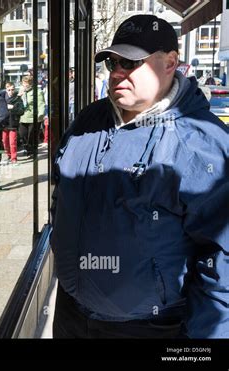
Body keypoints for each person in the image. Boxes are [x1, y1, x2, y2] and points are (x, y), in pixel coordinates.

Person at [51, 14, 228, 339]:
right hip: (71, 315)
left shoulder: (202, 144)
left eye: (132, 63)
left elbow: (223, 264)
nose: (118, 72)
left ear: (171, 63)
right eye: (113, 62)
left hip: (149, 329)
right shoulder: (90, 119)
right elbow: (62, 191)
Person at [18, 75, 45, 158]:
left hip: (33, 117)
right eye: (24, 83)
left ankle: (32, 151)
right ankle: (27, 148)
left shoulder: (37, 91)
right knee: (23, 135)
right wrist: (19, 96)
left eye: (28, 83)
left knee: (32, 136)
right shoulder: (21, 91)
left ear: (31, 83)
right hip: (23, 117)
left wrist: (40, 115)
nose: (25, 85)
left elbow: (41, 104)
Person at [1, 82, 24, 165]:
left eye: (12, 89)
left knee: (12, 142)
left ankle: (14, 158)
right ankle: (9, 156)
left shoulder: (18, 98)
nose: (11, 91)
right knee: (4, 141)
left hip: (13, 123)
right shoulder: (2, 98)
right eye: (9, 90)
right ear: (6, 90)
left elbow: (22, 111)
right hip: (4, 123)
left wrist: (13, 108)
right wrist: (5, 107)